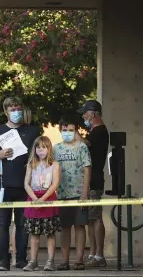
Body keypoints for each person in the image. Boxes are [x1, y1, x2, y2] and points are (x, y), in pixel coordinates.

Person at [0, 96, 41, 271]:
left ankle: (22, 259)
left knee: (23, 223)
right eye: (12, 109)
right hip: (3, 186)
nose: (16, 112)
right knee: (2, 223)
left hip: (26, 185)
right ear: (5, 111)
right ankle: (3, 260)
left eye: (18, 109)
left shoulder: (32, 131)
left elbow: (41, 154)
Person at [53, 117, 91, 271]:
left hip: (78, 193)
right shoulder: (55, 149)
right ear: (60, 130)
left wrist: (84, 193)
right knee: (65, 227)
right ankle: (64, 261)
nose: (67, 133)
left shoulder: (81, 147)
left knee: (80, 226)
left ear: (75, 131)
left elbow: (87, 169)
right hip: (62, 194)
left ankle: (79, 260)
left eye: (71, 130)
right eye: (65, 130)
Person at [75, 100, 109, 267]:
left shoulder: (100, 131)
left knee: (95, 217)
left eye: (85, 113)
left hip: (94, 180)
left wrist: (75, 134)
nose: (83, 116)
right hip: (89, 181)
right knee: (90, 218)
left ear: (93, 113)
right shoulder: (94, 131)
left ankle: (100, 255)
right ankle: (93, 253)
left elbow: (86, 144)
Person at [23, 136, 61, 272]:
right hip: (33, 198)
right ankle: (33, 261)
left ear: (49, 148)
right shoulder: (30, 164)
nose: (40, 150)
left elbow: (54, 184)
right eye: (38, 147)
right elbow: (26, 183)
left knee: (50, 233)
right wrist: (34, 199)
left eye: (44, 147)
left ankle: (50, 261)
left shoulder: (55, 165)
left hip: (48, 198)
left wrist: (43, 200)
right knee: (34, 234)